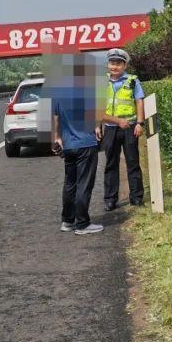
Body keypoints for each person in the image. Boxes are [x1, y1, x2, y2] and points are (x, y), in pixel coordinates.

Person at [51, 56, 104, 235]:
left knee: (70, 183)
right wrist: (97, 127)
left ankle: (67, 221)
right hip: (85, 144)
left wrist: (57, 138)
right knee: (84, 183)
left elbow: (56, 119)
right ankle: (82, 224)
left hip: (68, 145)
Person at [101, 47, 145, 210]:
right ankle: (110, 199)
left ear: (124, 65)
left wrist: (140, 123)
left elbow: (139, 101)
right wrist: (97, 126)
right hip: (110, 128)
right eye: (112, 63)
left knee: (133, 162)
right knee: (111, 164)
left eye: (118, 64)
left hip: (130, 127)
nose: (115, 66)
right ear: (108, 65)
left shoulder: (133, 80)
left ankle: (136, 197)